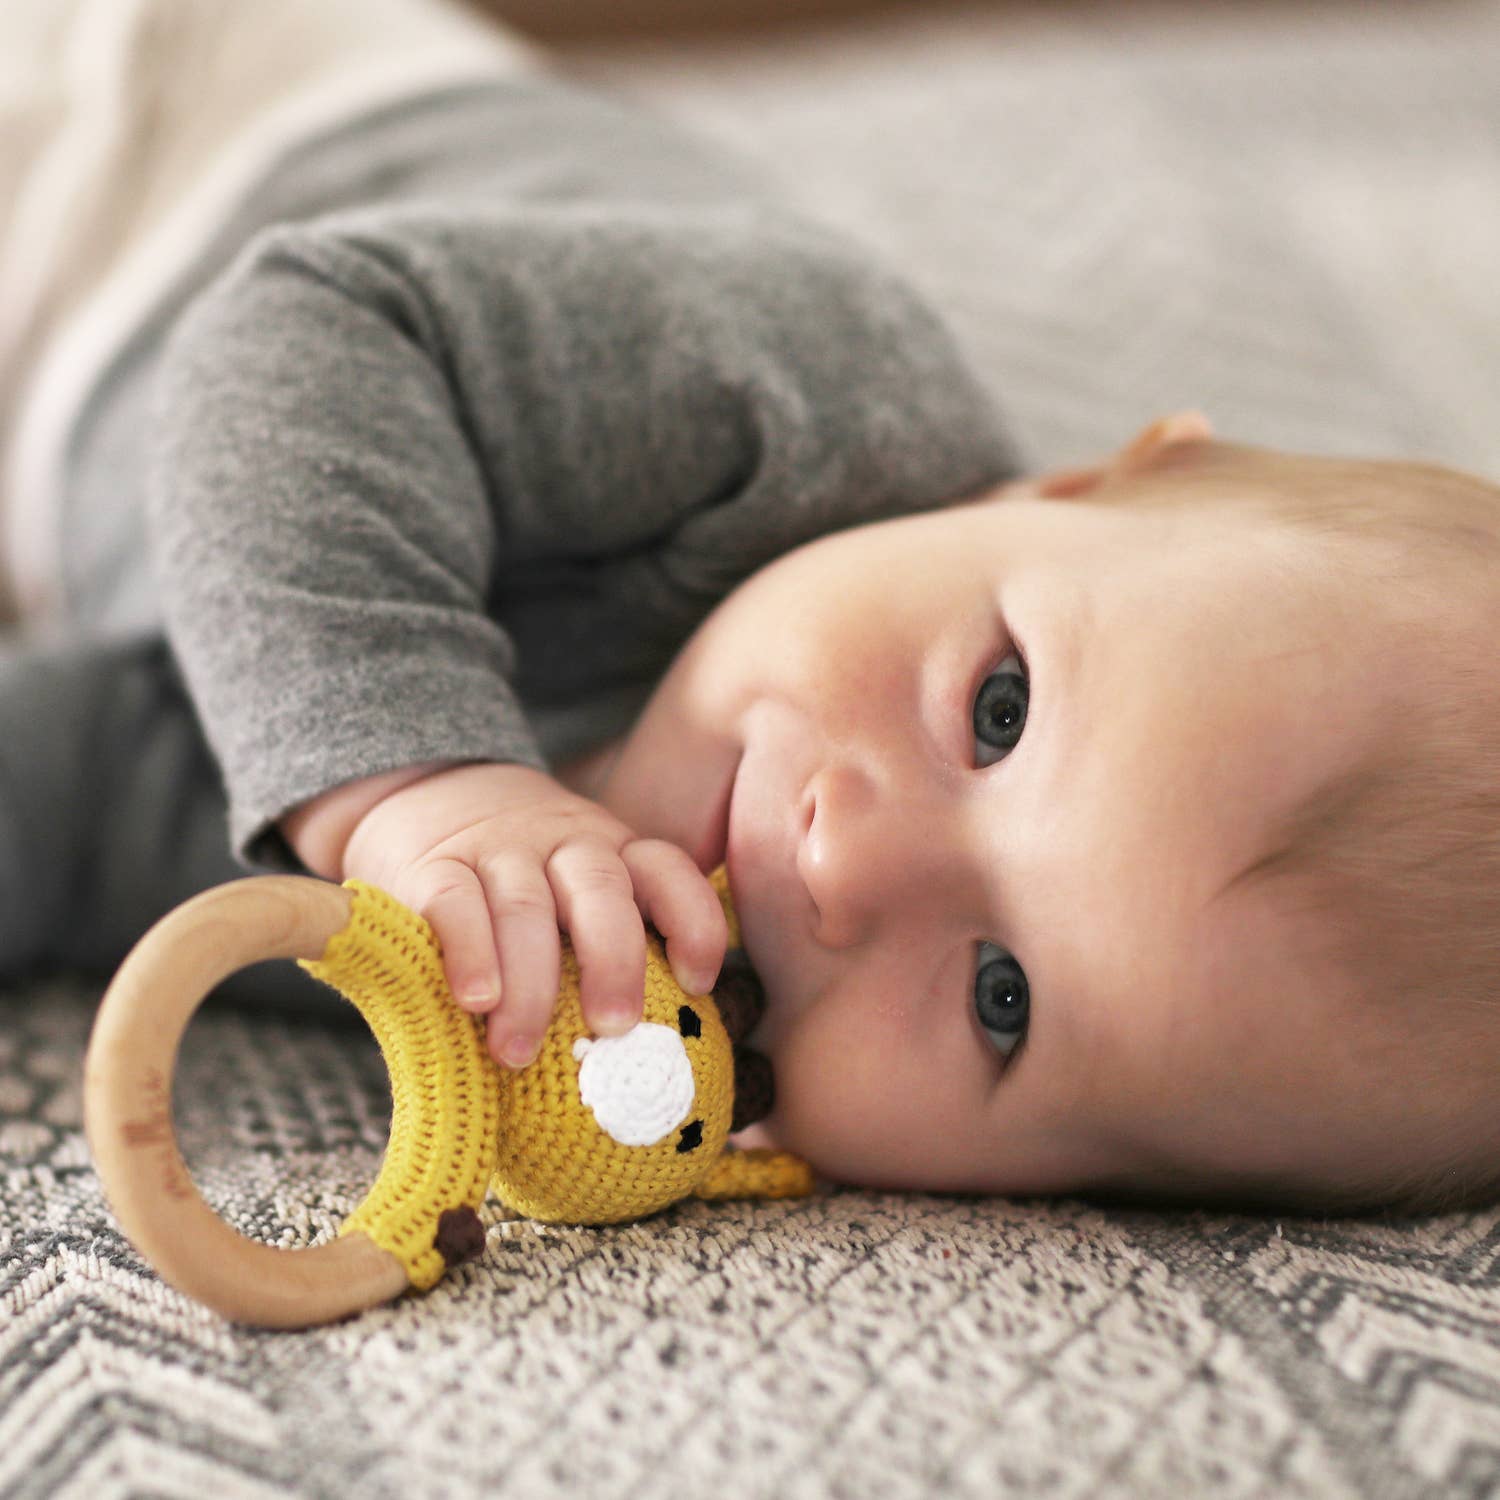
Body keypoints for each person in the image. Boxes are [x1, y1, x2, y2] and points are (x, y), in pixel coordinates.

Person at [4, 0, 1498, 1220]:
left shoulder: (590, 1009)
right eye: (1000, 709)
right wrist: (416, 780)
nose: (848, 863)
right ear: (1065, 493)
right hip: (154, 140)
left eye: (1001, 1002)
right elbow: (306, 328)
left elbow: (72, 795)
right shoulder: (819, 403)